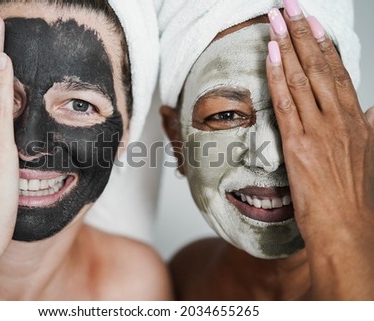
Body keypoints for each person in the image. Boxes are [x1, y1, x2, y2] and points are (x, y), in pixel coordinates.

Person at [0, 0, 171, 300]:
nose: (28, 145)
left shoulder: (135, 287)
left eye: (80, 105)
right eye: (0, 93)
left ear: (126, 135)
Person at [159, 0, 374, 300]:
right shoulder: (178, 280)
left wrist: (342, 241)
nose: (270, 158)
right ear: (176, 139)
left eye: (305, 108)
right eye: (226, 114)